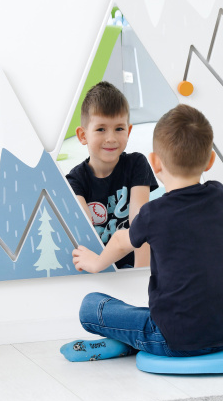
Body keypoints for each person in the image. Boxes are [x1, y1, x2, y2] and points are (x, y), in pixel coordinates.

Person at [61, 104, 223, 362]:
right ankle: (131, 340)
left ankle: (128, 342)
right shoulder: (219, 194)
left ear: (154, 162)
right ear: (210, 160)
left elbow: (121, 240)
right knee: (150, 316)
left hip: (171, 338)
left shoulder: (154, 213)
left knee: (91, 307)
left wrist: (96, 262)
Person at [66, 81, 158, 269]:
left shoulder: (136, 164)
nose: (111, 138)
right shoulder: (75, 180)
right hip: (98, 268)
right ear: (83, 135)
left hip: (135, 264)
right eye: (101, 129)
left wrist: (140, 274)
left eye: (119, 129)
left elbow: (141, 224)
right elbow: (84, 235)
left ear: (128, 131)